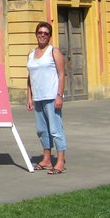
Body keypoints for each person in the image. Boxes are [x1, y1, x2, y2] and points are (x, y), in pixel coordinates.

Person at [26, 21, 67, 174]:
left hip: (51, 96)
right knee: (42, 130)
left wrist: (59, 96)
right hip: (38, 97)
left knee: (56, 129)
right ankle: (47, 159)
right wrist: (29, 97)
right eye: (40, 32)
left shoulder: (53, 51)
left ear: (49, 36)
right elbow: (30, 77)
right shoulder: (31, 53)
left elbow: (62, 75)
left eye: (46, 33)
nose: (42, 35)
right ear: (36, 34)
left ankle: (60, 161)